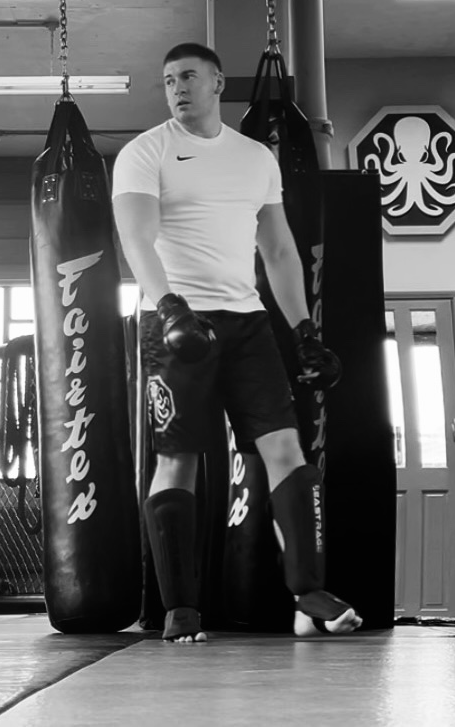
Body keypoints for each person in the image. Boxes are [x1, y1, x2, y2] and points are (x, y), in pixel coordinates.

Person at [111, 42, 361, 643]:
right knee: (180, 458)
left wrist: (303, 330)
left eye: (189, 76)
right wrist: (169, 308)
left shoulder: (255, 159)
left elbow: (277, 250)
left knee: (285, 449)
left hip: (246, 323)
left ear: (218, 82)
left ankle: (308, 595)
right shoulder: (145, 152)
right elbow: (137, 238)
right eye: (168, 79)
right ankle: (181, 610)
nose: (178, 88)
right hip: (175, 324)